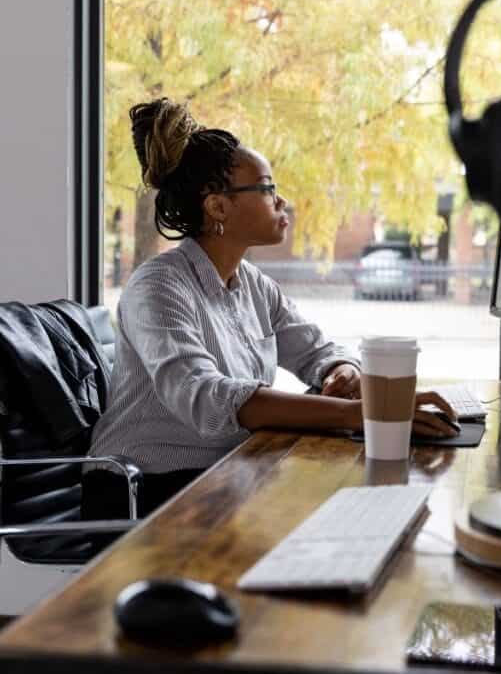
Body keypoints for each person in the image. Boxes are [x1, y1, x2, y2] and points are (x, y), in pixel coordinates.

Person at [83, 97, 458, 519]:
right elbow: (208, 399)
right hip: (143, 487)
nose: (282, 202)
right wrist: (365, 412)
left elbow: (318, 351)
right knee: (333, 499)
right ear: (218, 206)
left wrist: (341, 373)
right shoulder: (158, 287)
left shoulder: (254, 284)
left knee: (349, 491)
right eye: (267, 188)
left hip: (220, 471)